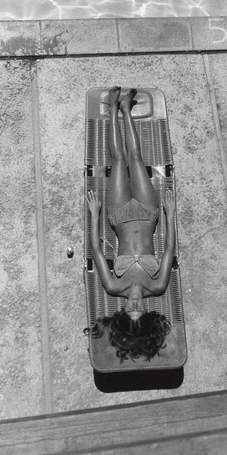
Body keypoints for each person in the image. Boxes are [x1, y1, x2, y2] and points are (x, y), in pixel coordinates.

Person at [85, 86, 176, 362]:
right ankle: (126, 109)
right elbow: (168, 251)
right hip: (148, 213)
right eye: (140, 309)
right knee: (136, 158)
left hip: (119, 214)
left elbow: (96, 251)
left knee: (119, 160)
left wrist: (94, 214)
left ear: (123, 312)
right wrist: (170, 214)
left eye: (130, 309)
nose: (135, 304)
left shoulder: (114, 287)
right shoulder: (157, 286)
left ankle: (114, 107)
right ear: (146, 312)